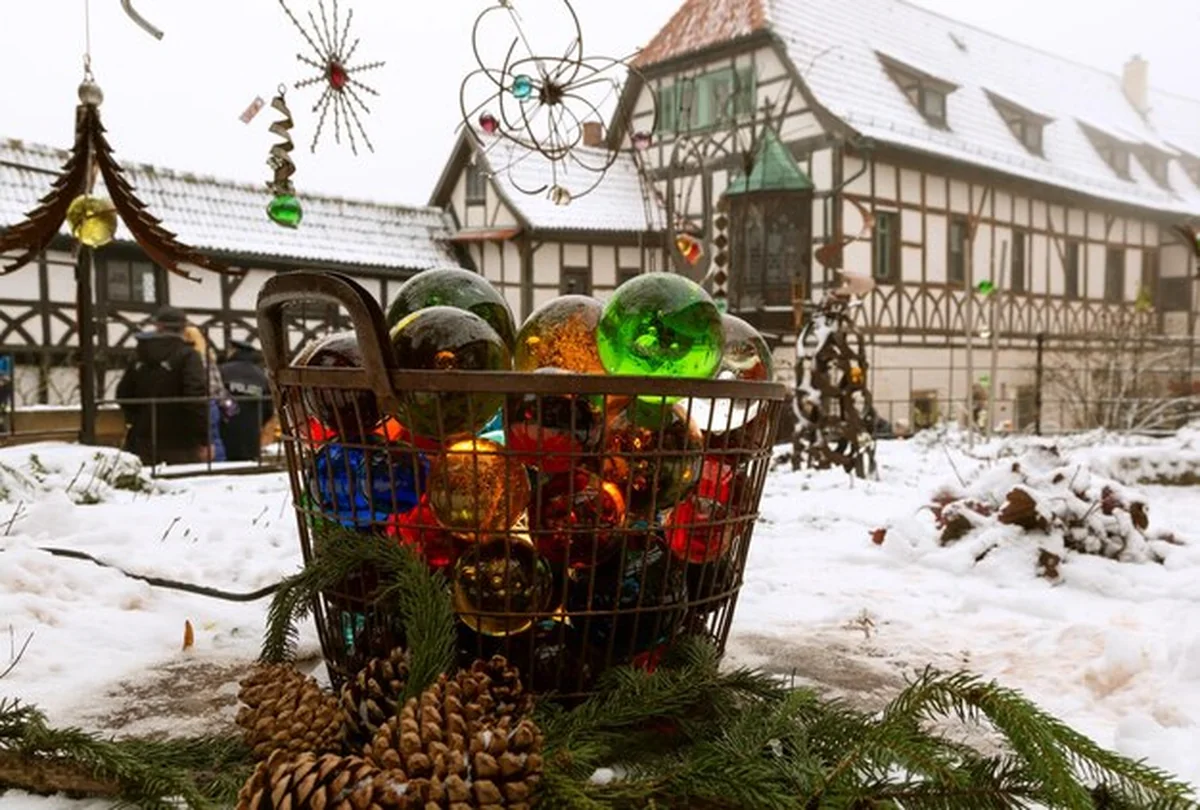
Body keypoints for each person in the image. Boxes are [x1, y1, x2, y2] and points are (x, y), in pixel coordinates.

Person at [115, 307, 208, 466]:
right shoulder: (188, 355)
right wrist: (203, 439)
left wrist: (137, 420)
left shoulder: (140, 354)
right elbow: (195, 398)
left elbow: (123, 394)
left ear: (158, 326)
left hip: (142, 441)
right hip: (182, 444)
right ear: (184, 328)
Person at [182, 325, 237, 463]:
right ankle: (219, 466)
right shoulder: (207, 358)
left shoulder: (187, 358)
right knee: (214, 438)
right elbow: (218, 386)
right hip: (212, 402)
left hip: (194, 402)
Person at [219, 338, 275, 462]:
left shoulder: (222, 371)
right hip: (251, 436)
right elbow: (269, 408)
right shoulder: (261, 376)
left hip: (225, 432)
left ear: (234, 351)